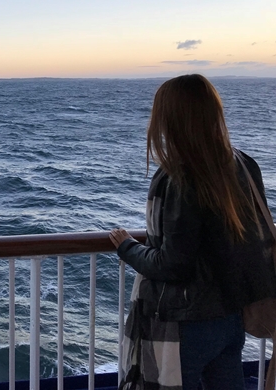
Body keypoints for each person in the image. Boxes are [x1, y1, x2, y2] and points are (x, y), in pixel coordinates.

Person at [108, 74, 276, 390]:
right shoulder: (242, 164)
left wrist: (127, 247)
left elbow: (173, 264)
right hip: (230, 317)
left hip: (183, 325)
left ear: (170, 120)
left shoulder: (180, 177)